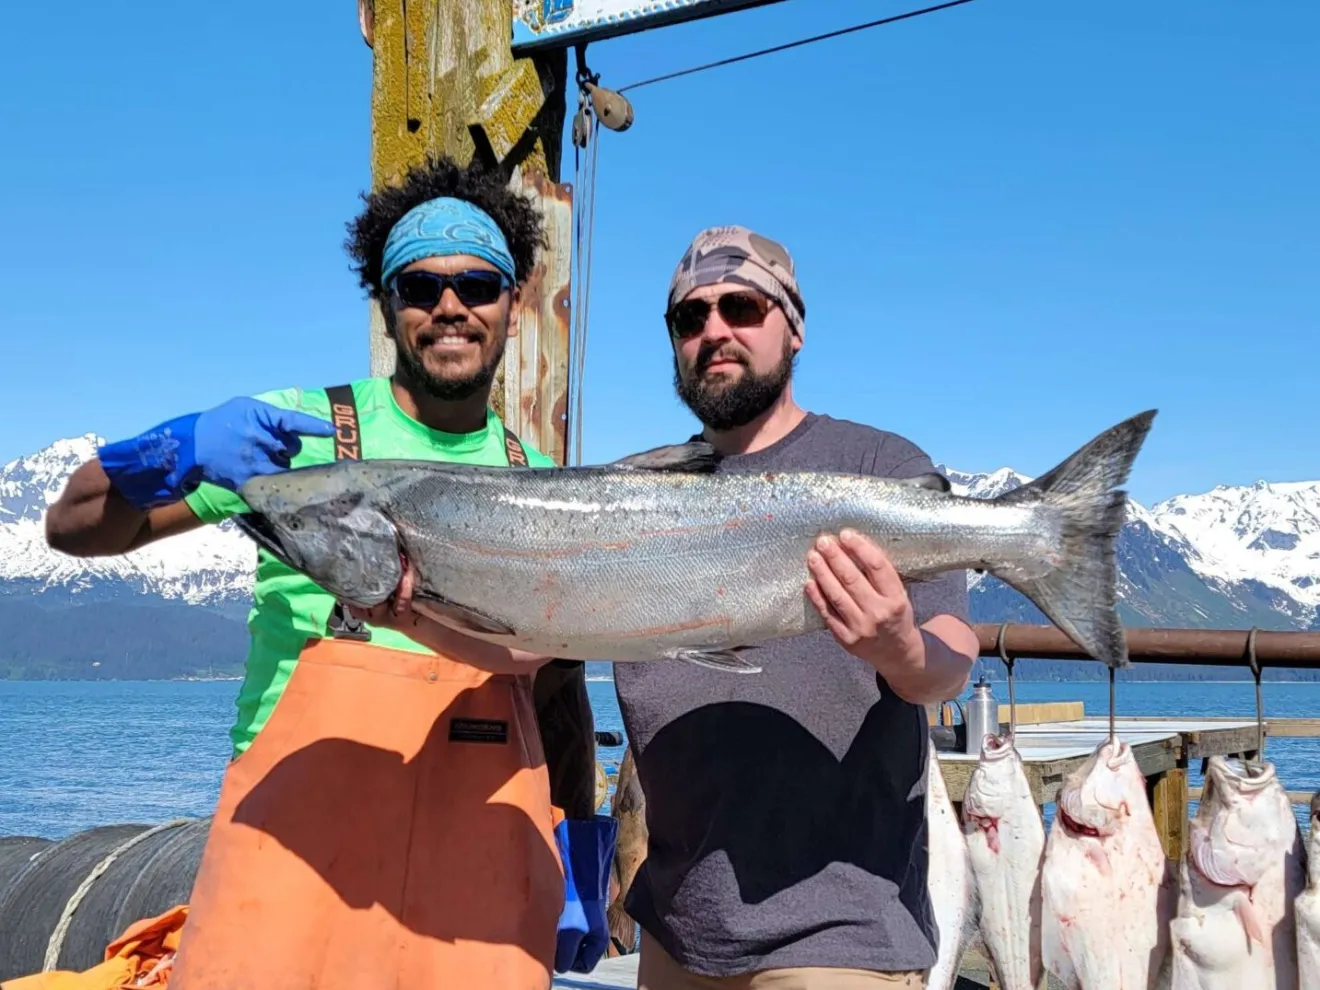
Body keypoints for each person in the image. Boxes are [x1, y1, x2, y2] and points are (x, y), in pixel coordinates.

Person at [43, 155, 614, 989]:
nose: (449, 306)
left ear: (512, 303)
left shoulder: (544, 487)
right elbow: (74, 530)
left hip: (479, 892)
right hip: (289, 874)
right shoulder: (298, 438)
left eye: (476, 285)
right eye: (420, 286)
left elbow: (557, 689)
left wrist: (578, 847)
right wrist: (169, 451)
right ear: (386, 302)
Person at [611, 226, 980, 989]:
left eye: (742, 307)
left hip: (837, 941)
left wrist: (900, 650)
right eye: (690, 316)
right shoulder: (631, 492)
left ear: (795, 326)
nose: (715, 330)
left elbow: (951, 662)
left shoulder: (879, 469)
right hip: (674, 934)